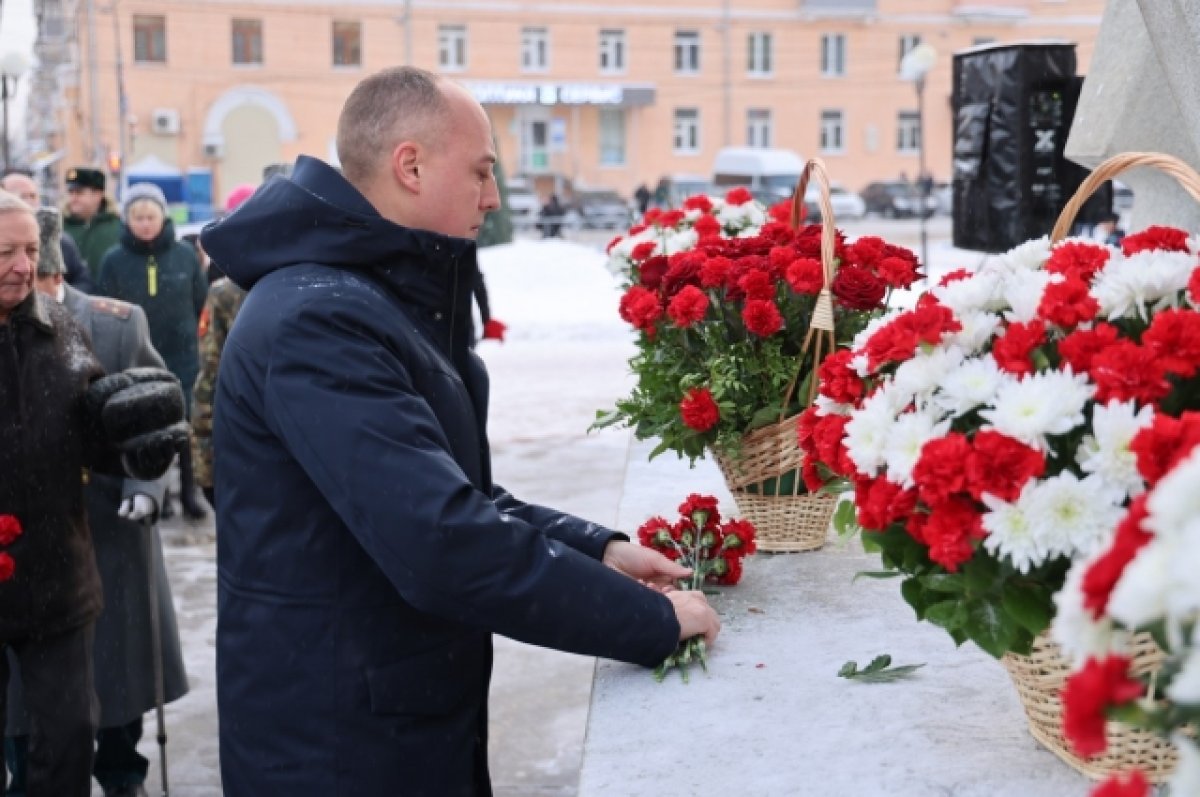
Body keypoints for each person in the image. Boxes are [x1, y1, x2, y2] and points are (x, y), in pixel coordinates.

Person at [199, 66, 719, 796]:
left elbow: (453, 494)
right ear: (409, 165)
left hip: (391, 725)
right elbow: (440, 538)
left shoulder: (367, 295)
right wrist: (651, 622)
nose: (493, 197)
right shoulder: (316, 318)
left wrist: (599, 548)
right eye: (479, 172)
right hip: (338, 748)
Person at [0, 190, 188, 796]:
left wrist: (139, 446)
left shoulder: (61, 329)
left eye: (30, 250)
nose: (24, 266)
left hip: (59, 579)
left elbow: (94, 434)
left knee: (71, 736)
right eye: (6, 252)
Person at [97, 182, 209, 520]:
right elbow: (104, 306)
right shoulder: (114, 260)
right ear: (127, 220)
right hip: (135, 355)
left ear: (163, 217)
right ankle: (155, 491)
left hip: (182, 354)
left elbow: (199, 301)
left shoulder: (185, 255)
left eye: (151, 216)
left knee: (184, 427)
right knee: (146, 426)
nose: (145, 223)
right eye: (138, 217)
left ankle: (189, 493)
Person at [2, 170, 94, 292]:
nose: (30, 202)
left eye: (33, 196)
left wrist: (60, 297)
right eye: (23, 196)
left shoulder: (60, 241)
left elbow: (83, 280)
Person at [62, 167, 122, 280]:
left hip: (106, 295)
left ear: (98, 195)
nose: (73, 198)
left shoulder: (117, 227)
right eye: (70, 192)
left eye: (79, 192)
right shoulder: (60, 227)